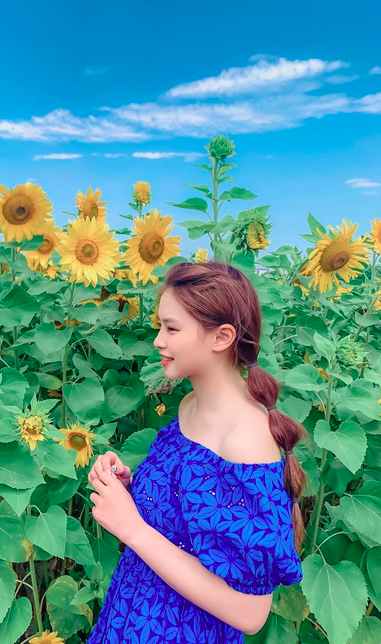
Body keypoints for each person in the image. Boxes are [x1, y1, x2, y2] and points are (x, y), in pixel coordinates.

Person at [85, 261, 305, 644]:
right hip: (130, 613)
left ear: (221, 337)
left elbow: (250, 612)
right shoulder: (190, 405)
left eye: (171, 328)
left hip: (183, 632)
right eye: (160, 326)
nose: (158, 339)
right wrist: (132, 487)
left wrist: (133, 529)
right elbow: (191, 516)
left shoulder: (247, 443)